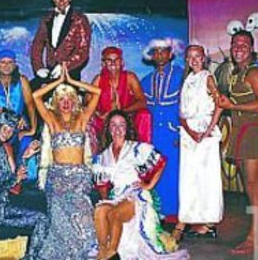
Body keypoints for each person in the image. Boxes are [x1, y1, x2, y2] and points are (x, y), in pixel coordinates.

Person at [93, 110, 189, 260]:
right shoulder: (103, 156)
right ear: (109, 128)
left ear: (127, 128)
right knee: (100, 211)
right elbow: (102, 184)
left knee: (114, 214)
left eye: (121, 125)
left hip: (135, 194)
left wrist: (149, 185)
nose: (118, 129)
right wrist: (106, 201)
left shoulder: (136, 148)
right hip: (117, 195)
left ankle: (112, 253)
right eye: (114, 125)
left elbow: (161, 162)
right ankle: (103, 252)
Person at [217, 31, 258, 255]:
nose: (239, 48)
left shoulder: (254, 73)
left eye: (244, 44)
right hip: (243, 133)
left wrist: (232, 107)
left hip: (253, 134)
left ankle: (253, 237)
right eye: (235, 44)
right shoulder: (238, 73)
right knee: (256, 185)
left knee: (252, 187)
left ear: (251, 48)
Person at [32, 63, 101, 260]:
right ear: (56, 101)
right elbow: (36, 96)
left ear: (74, 101)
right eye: (61, 98)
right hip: (58, 178)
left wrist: (71, 81)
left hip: (79, 177)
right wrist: (58, 82)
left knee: (83, 221)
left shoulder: (82, 119)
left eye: (69, 98)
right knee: (59, 223)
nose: (65, 102)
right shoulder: (52, 121)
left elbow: (97, 92)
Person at [0, 112, 48, 260]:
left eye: (11, 130)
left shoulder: (7, 148)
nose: (7, 133)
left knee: (41, 219)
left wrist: (25, 157)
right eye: (5, 128)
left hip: (4, 208)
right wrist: (14, 179)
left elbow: (15, 187)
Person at [175, 45, 224, 241]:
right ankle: (191, 219)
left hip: (204, 133)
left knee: (206, 178)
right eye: (190, 57)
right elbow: (182, 113)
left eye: (197, 56)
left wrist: (209, 130)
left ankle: (208, 222)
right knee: (189, 178)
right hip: (189, 133)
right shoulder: (187, 79)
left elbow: (220, 104)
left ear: (204, 58)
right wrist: (189, 131)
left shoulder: (207, 78)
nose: (194, 60)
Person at [140, 38, 185, 220]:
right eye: (156, 51)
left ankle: (175, 213)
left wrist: (181, 132)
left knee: (174, 173)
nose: (159, 55)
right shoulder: (145, 81)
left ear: (171, 54)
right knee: (154, 172)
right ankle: (157, 213)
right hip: (153, 136)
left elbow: (189, 107)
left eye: (163, 51)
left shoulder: (182, 75)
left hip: (173, 135)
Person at [0, 49, 37, 178]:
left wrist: (33, 129)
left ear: (15, 64)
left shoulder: (22, 81)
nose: (6, 65)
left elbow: (30, 104)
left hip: (17, 128)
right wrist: (12, 116)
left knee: (28, 142)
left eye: (10, 62)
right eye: (3, 62)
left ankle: (25, 182)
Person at [89, 46, 151, 154]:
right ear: (103, 63)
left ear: (122, 62)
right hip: (105, 120)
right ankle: (94, 157)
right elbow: (87, 103)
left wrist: (122, 111)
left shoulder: (130, 77)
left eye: (116, 60)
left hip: (127, 118)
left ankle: (142, 153)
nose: (113, 63)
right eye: (109, 60)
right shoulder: (98, 79)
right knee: (89, 120)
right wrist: (98, 113)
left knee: (144, 115)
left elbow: (142, 102)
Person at [30, 0, 92, 83]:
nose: (61, 0)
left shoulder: (79, 19)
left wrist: (65, 66)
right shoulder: (46, 20)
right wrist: (38, 67)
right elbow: (37, 45)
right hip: (49, 72)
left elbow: (83, 50)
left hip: (70, 74)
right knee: (31, 88)